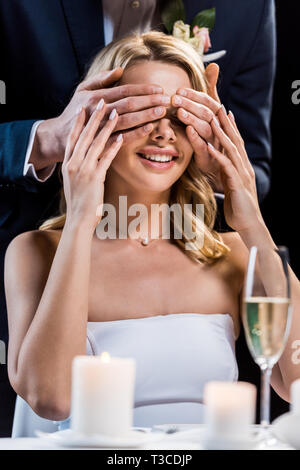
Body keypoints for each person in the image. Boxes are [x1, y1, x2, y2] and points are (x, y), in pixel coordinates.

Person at [0, 0, 276, 434]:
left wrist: (251, 220)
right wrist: (81, 220)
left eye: (180, 117)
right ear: (93, 123)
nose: (164, 132)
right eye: (143, 113)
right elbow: (50, 398)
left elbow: (295, 379)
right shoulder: (35, 252)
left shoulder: (236, 254)